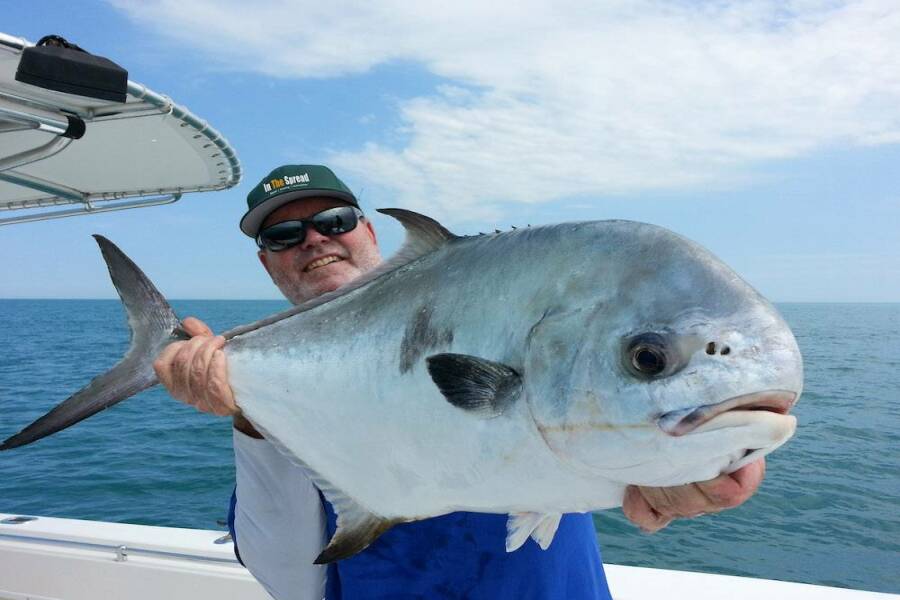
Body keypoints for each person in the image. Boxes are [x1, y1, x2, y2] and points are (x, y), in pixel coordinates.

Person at [154, 164, 768, 600]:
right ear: (268, 262)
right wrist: (248, 415)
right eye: (283, 235)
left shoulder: (497, 307)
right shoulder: (270, 391)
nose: (313, 239)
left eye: (333, 220)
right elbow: (286, 573)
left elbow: (606, 386)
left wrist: (713, 458)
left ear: (369, 233)